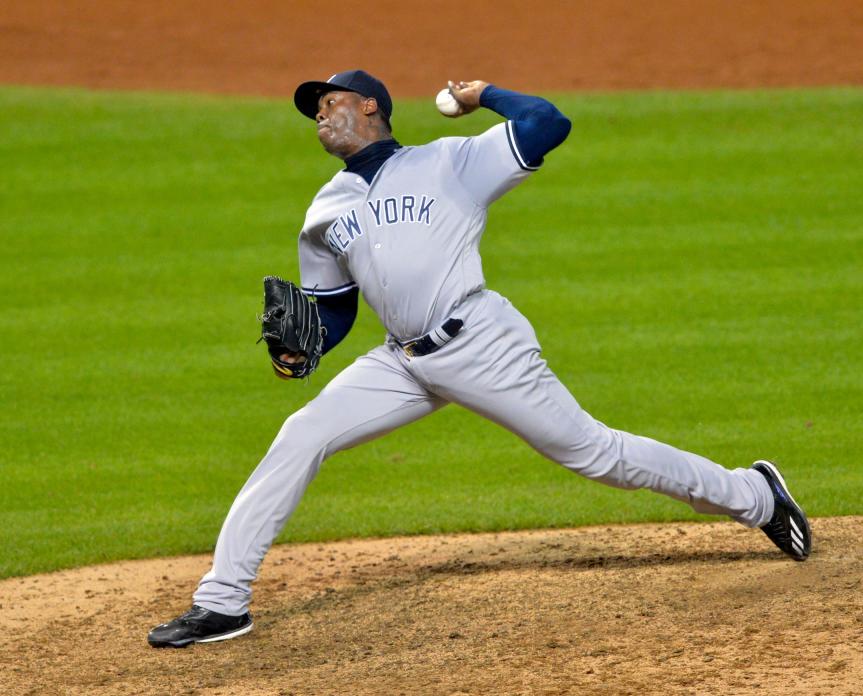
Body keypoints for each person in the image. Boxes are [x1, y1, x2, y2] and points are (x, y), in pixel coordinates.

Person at [147, 70, 811, 648]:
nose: (320, 112)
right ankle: (222, 602)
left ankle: (755, 494)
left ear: (372, 107)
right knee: (300, 436)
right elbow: (335, 308)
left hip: (482, 345)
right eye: (313, 107)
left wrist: (483, 94)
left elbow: (548, 123)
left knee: (596, 455)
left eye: (332, 100)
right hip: (400, 363)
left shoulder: (450, 162)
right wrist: (300, 348)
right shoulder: (325, 209)